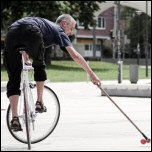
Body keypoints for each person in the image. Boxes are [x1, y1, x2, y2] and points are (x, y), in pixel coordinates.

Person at [4, 14, 101, 131]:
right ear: (64, 23)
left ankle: (15, 118)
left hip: (12, 32)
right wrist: (91, 74)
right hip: (31, 31)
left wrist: (26, 58)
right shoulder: (58, 30)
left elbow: (23, 34)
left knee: (13, 78)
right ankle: (39, 102)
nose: (70, 33)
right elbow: (75, 55)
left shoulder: (45, 26)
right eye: (71, 28)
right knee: (39, 65)